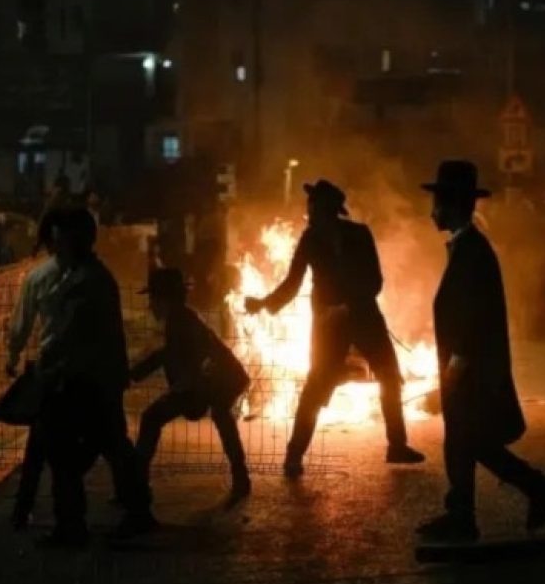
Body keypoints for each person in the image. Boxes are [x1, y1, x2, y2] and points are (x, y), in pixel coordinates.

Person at [416, 160, 545, 542]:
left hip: (473, 372)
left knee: (468, 440)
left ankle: (528, 491)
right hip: (471, 370)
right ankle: (477, 508)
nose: (432, 212)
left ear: (453, 205)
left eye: (437, 203)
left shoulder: (472, 253)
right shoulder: (467, 248)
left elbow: (470, 326)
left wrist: (447, 379)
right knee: (466, 441)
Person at [245, 179, 425, 477]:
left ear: (328, 210)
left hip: (364, 316)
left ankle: (397, 445)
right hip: (329, 325)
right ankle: (293, 455)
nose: (309, 213)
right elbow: (293, 282)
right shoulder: (310, 240)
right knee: (316, 386)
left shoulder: (359, 235)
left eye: (313, 207)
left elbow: (375, 280)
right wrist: (265, 303)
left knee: (389, 376)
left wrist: (348, 306)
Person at [37, 208, 155, 546]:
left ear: (73, 241)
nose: (53, 249)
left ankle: (75, 525)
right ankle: (133, 513)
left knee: (73, 453)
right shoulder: (86, 276)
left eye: (57, 241)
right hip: (94, 379)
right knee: (110, 448)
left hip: (90, 381)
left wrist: (50, 365)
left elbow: (69, 335)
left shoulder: (87, 281)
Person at [130, 268, 251, 502]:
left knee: (216, 414)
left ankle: (135, 488)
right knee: (217, 415)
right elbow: (168, 354)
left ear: (165, 299)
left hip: (223, 379)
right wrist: (135, 374)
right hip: (213, 380)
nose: (151, 305)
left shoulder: (181, 320)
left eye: (153, 298)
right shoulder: (179, 318)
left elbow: (200, 358)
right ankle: (241, 477)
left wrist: (184, 388)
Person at [5, 209, 66, 529]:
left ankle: (26, 509)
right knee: (108, 437)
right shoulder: (92, 275)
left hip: (54, 368)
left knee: (41, 443)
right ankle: (134, 504)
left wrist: (12, 356)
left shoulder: (39, 277)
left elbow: (21, 324)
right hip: (83, 369)